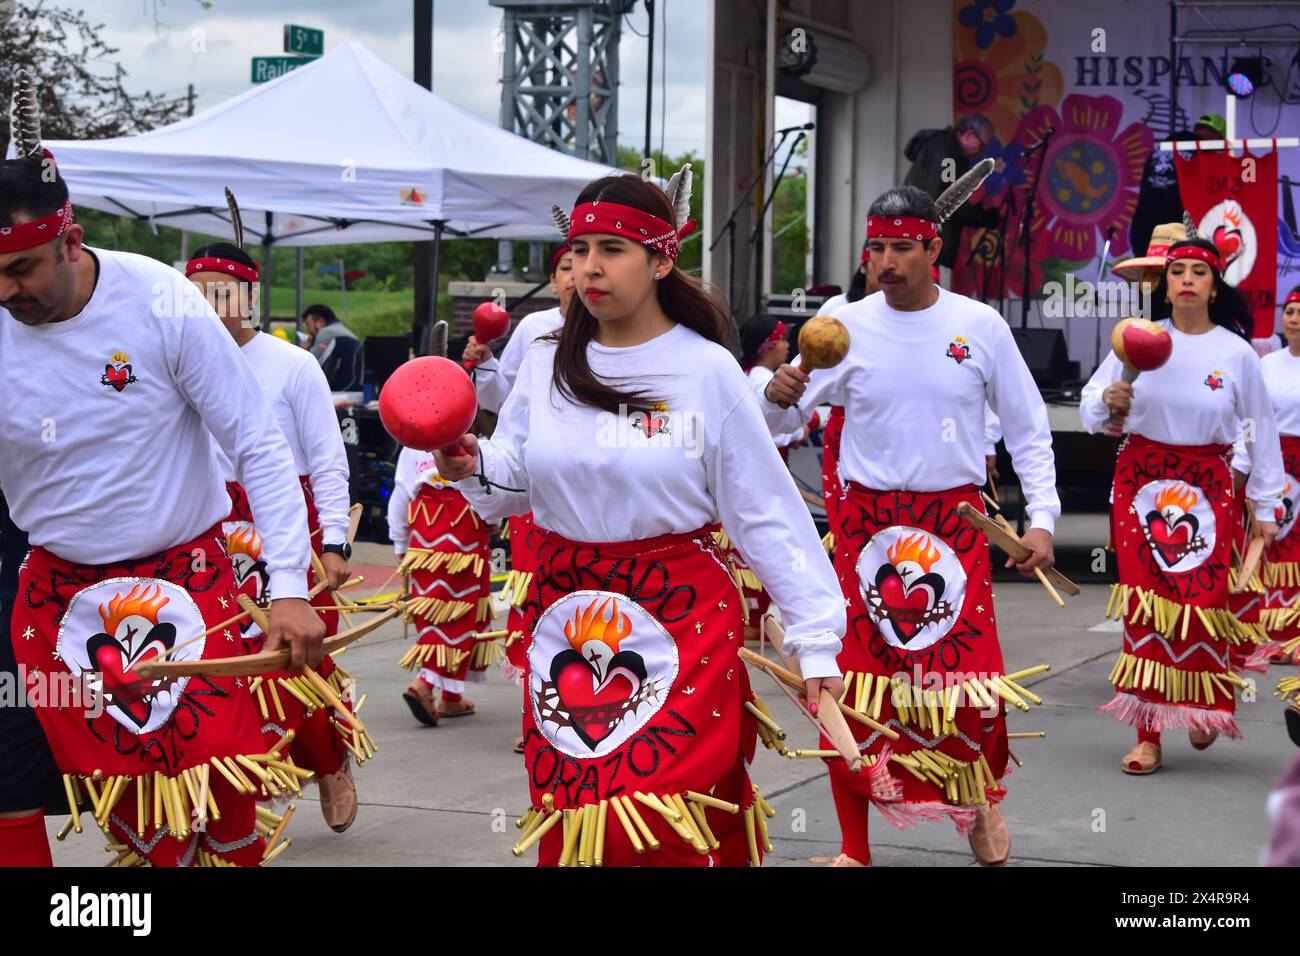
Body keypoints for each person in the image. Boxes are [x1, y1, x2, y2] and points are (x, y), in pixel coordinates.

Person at [433, 168, 850, 867]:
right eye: (580, 249)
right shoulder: (544, 360)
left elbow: (767, 514)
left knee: (654, 824)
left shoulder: (707, 371)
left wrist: (816, 640)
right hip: (568, 617)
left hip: (682, 618)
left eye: (612, 250)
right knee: (581, 823)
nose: (588, 268)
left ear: (662, 259)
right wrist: (469, 463)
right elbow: (514, 485)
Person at [0, 71, 322, 867]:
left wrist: (287, 588)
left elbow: (258, 442)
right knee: (144, 823)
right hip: (60, 603)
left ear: (71, 242)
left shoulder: (162, 302)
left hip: (191, 588)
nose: (7, 292)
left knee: (225, 799)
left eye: (24, 270)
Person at [762, 182, 1061, 868]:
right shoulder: (842, 325)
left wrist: (1041, 520)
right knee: (849, 687)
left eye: (902, 247)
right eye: (876, 248)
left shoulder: (979, 325)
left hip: (953, 528)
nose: (886, 261)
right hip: (866, 534)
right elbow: (779, 423)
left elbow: (1027, 427)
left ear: (935, 248)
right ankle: (853, 848)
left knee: (962, 688)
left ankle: (979, 804)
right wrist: (778, 392)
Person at [1081, 237, 1284, 775]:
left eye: (1199, 271)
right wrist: (1108, 401)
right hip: (1141, 485)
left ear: (1214, 285)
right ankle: (1147, 734)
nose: (1188, 279)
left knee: (1203, 600)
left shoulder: (1237, 353)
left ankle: (1202, 704)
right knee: (1146, 606)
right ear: (1165, 284)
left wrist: (1266, 504)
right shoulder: (1137, 342)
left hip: (1210, 487)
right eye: (1178, 272)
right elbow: (1091, 409)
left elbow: (1260, 431)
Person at [186, 224, 361, 834]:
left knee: (295, 666)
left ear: (250, 297)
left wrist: (335, 541)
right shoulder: (178, 361)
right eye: (196, 292)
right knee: (226, 669)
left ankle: (330, 759)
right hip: (209, 535)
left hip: (290, 526)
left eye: (222, 291)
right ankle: (247, 795)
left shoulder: (293, 364)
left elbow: (327, 456)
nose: (210, 305)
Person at [462, 242, 577, 750]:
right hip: (541, 494)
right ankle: (542, 709)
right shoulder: (536, 332)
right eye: (568, 266)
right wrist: (483, 366)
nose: (580, 274)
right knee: (537, 598)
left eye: (604, 254)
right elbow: (508, 403)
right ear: (553, 281)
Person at [387, 442, 495, 726]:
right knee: (460, 612)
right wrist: (495, 517)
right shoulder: (477, 440)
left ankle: (451, 697)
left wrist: (400, 540)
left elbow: (401, 493)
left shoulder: (414, 446)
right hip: (463, 528)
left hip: (424, 532)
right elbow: (490, 487)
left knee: (434, 608)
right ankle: (424, 685)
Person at [1240, 286, 1300, 668]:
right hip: (1273, 460)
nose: (1294, 318)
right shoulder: (1266, 363)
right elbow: (1251, 416)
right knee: (1267, 543)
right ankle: (1267, 633)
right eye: (1290, 310)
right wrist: (1247, 458)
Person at [903, 113, 1000, 274]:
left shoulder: (942, 147)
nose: (981, 152)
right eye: (982, 146)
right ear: (968, 135)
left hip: (916, 236)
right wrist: (979, 217)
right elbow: (945, 198)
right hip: (921, 240)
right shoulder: (949, 154)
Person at [1129, 114, 1224, 262]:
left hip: (1143, 230)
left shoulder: (1161, 148)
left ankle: (1146, 285)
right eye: (1220, 142)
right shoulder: (1205, 153)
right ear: (1214, 135)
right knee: (1176, 279)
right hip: (1174, 232)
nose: (1219, 149)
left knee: (1147, 279)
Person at [303, 303, 362, 391]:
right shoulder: (343, 331)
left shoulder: (326, 332)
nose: (308, 330)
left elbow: (309, 364)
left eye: (308, 324)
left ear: (320, 322)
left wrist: (303, 350)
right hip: (353, 385)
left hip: (342, 389)